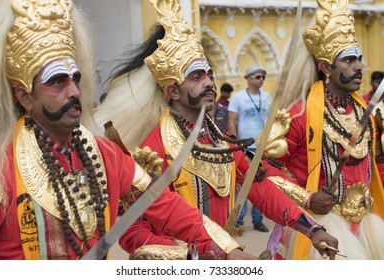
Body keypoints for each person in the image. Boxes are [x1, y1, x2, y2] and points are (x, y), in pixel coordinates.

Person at [0, 0, 264, 260]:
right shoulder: (1, 167)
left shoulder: (103, 153)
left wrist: (228, 250)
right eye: (57, 82)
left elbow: (164, 205)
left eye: (76, 79)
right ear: (24, 96)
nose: (75, 91)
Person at [94, 0, 339, 260]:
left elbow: (264, 190)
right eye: (197, 77)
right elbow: (133, 232)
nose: (209, 83)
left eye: (209, 75)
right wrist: (195, 256)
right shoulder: (153, 151)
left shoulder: (220, 143)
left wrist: (312, 228)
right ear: (173, 91)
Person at [262, 0, 384, 259]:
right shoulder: (298, 115)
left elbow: (376, 170)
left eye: (359, 59)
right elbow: (263, 171)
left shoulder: (366, 115)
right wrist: (307, 198)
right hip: (322, 229)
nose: (359, 66)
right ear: (326, 67)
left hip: (368, 227)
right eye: (349, 60)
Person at [227, 66, 272, 233]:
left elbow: (271, 121)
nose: (261, 80)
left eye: (263, 77)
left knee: (260, 183)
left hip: (262, 147)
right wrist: (235, 144)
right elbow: (232, 121)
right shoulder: (238, 97)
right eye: (258, 77)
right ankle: (238, 220)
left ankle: (258, 220)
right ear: (249, 79)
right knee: (242, 182)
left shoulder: (267, 97)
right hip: (244, 146)